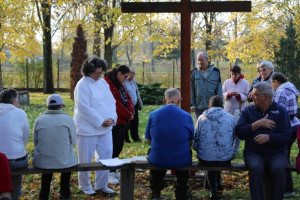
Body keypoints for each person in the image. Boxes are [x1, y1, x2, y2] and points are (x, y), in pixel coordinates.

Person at [236, 82, 291, 200]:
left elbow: (286, 135)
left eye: (255, 94)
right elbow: (239, 132)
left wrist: (269, 138)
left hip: (277, 152)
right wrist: (256, 125)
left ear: (266, 97)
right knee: (256, 168)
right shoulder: (248, 111)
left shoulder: (281, 111)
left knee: (278, 168)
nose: (251, 96)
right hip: (254, 152)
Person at [74, 56, 117, 195]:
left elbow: (111, 102)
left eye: (100, 72)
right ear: (88, 71)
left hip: (105, 129)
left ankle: (101, 184)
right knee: (85, 159)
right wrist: (100, 121)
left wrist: (112, 118)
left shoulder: (103, 83)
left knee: (106, 157)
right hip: (87, 129)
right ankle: (85, 185)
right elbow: (84, 107)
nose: (98, 75)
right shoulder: (82, 85)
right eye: (95, 73)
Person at [145, 88, 194, 199]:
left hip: (158, 158)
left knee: (154, 155)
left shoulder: (153, 115)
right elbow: (190, 141)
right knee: (185, 156)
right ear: (179, 100)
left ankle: (156, 192)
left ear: (164, 100)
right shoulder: (187, 116)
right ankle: (182, 191)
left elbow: (148, 140)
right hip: (181, 159)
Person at [33, 94, 77, 200]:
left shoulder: (39, 120)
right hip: (64, 161)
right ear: (61, 105)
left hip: (43, 161)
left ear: (47, 106)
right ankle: (65, 194)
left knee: (47, 166)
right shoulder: (68, 119)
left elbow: (36, 141)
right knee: (66, 161)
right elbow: (73, 142)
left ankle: (44, 195)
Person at [193, 95, 236, 200]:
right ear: (222, 106)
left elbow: (196, 138)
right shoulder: (231, 118)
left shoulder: (201, 118)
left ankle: (213, 189)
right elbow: (234, 138)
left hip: (205, 159)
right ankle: (217, 184)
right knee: (218, 153)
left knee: (210, 154)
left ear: (209, 106)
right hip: (225, 159)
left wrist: (197, 148)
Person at [270, 72, 299, 198]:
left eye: (272, 84)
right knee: (284, 155)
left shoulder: (281, 91)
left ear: (276, 81)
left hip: (286, 126)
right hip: (294, 125)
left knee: (282, 156)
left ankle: (287, 188)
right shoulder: (291, 88)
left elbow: (277, 110)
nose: (272, 87)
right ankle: (288, 188)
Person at [104, 65, 135, 184]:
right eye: (125, 76)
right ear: (119, 74)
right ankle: (109, 172)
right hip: (116, 120)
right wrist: (127, 114)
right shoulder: (109, 84)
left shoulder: (119, 84)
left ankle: (114, 169)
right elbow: (115, 103)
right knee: (114, 146)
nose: (126, 79)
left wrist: (131, 112)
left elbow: (128, 98)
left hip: (124, 120)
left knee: (119, 146)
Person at [0, 88, 29, 200]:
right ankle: (15, 194)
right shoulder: (20, 113)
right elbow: (25, 137)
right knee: (15, 160)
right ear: (13, 101)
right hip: (16, 160)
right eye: (17, 101)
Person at [222, 65, 249, 154]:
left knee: (238, 129)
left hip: (239, 109)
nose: (234, 76)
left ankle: (236, 148)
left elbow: (247, 96)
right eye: (232, 74)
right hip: (228, 109)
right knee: (228, 129)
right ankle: (228, 147)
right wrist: (229, 94)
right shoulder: (227, 82)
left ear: (239, 74)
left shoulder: (245, 83)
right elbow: (222, 93)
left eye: (236, 74)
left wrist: (239, 96)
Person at [191, 51, 223, 119]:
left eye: (202, 60)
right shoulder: (194, 72)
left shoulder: (216, 72)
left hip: (213, 106)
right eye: (198, 60)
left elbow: (219, 89)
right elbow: (191, 90)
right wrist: (192, 104)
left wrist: (220, 104)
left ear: (207, 59)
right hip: (198, 106)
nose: (200, 62)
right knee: (199, 126)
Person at [123, 67, 143, 143]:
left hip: (134, 105)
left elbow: (137, 93)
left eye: (133, 73)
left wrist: (140, 104)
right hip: (127, 106)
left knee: (135, 122)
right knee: (127, 123)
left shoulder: (134, 81)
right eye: (131, 73)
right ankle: (126, 139)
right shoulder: (124, 82)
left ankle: (136, 138)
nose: (132, 75)